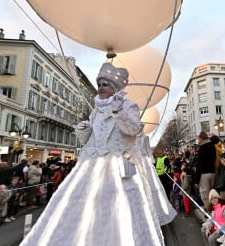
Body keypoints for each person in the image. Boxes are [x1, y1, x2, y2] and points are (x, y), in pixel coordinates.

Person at [20, 62, 165, 246]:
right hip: (91, 165)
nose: (101, 88)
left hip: (118, 165)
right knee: (79, 208)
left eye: (105, 84)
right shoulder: (95, 110)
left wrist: (118, 111)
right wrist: (83, 131)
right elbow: (91, 139)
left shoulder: (128, 106)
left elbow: (133, 129)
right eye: (99, 84)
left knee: (120, 211)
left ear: (115, 87)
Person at [194, 131, 216, 210]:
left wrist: (196, 180)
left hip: (204, 174)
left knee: (205, 196)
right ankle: (215, 213)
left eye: (198, 139)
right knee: (212, 194)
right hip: (212, 172)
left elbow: (200, 164)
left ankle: (211, 214)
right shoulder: (212, 146)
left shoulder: (202, 147)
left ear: (201, 138)